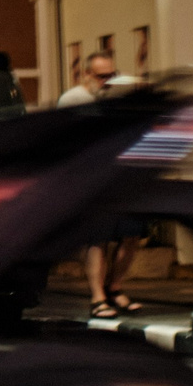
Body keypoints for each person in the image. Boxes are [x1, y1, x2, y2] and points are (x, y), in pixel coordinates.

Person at [58, 50, 147, 318]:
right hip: (90, 180)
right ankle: (98, 297)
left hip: (120, 177)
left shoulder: (117, 100)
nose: (107, 81)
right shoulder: (73, 100)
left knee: (133, 233)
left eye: (112, 75)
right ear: (87, 74)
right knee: (98, 238)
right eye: (102, 76)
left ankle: (114, 287)